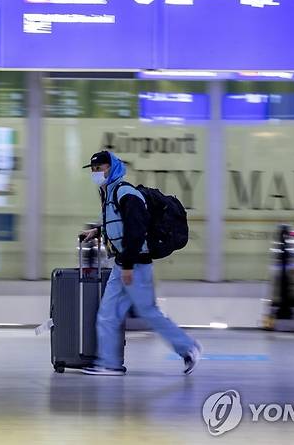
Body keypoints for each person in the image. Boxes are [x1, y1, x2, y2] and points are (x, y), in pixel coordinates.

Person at [79, 150, 202, 376]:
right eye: (94, 169)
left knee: (148, 312)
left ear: (112, 168)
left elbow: (136, 229)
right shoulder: (109, 194)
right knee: (108, 313)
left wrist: (128, 265)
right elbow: (120, 224)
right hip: (123, 263)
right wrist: (97, 231)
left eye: (100, 168)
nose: (96, 173)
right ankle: (109, 363)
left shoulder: (125, 192)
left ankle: (189, 347)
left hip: (134, 264)